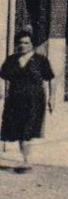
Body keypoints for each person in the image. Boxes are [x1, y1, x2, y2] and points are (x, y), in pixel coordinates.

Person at [1, 32, 53, 173]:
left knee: (28, 130)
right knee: (19, 129)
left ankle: (26, 161)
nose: (22, 46)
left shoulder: (40, 60)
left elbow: (49, 80)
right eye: (20, 43)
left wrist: (51, 98)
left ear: (32, 44)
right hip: (15, 100)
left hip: (34, 100)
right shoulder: (11, 60)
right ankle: (25, 159)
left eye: (26, 43)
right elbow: (4, 77)